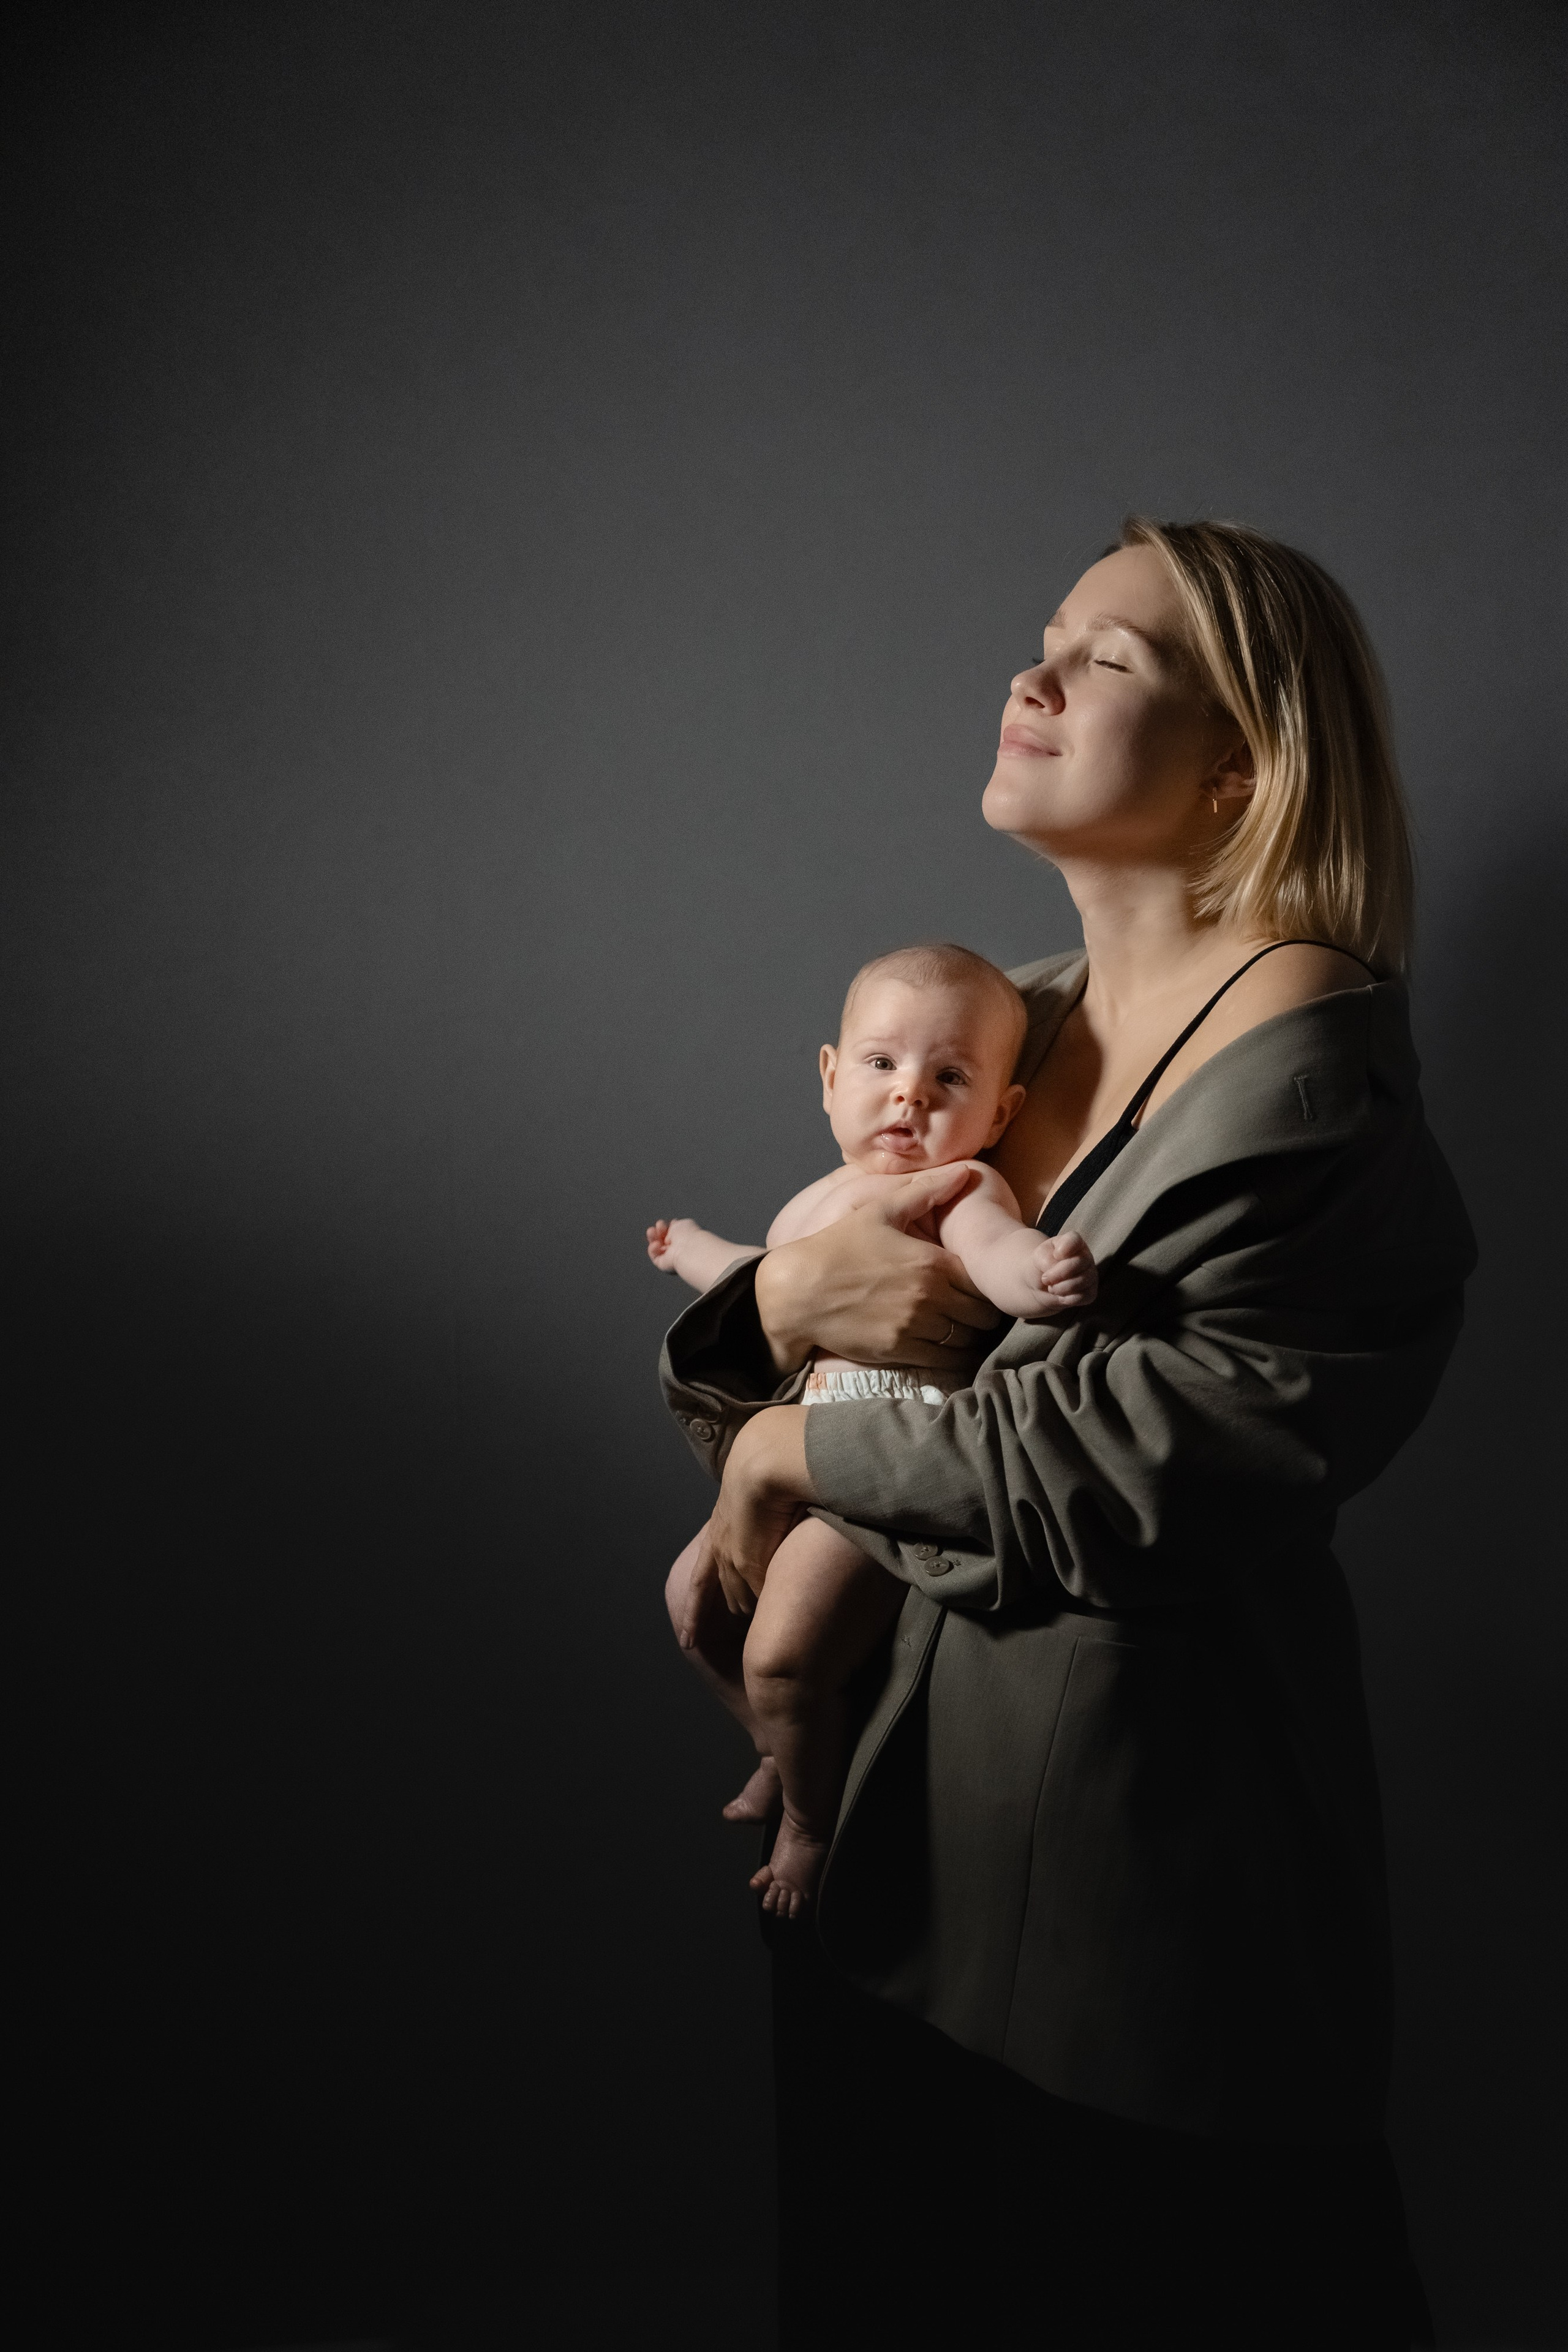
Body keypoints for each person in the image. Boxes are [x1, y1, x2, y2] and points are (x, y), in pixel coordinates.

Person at [659, 518, 1476, 2348]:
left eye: (1107, 660)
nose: (1028, 676)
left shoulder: (1310, 1089)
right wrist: (773, 1329)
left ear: (1239, 769)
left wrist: (786, 1459)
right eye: (1046, 636)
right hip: (880, 1865)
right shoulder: (998, 1025)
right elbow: (797, 1339)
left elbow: (1117, 1482)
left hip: (1126, 1921)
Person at [647, 942, 1097, 1915]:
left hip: (881, 1466)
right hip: (793, 1453)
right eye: (882, 1064)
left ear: (1002, 1114)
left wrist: (1037, 1273)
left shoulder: (958, 1189)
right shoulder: (816, 1198)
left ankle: (811, 1822)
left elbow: (996, 1250)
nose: (910, 1095)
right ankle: (778, 1741)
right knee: (689, 1606)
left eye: (952, 1078)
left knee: (782, 1650)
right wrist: (692, 1250)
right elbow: (758, 1281)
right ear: (830, 1077)